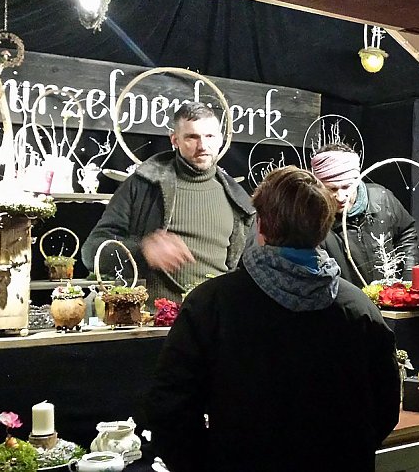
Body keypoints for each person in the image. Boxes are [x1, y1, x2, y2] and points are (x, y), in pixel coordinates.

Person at [145, 166, 400, 471]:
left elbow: (169, 409)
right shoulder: (359, 308)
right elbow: (385, 408)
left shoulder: (211, 304)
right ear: (323, 227)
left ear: (261, 224)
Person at [81, 102, 255, 305]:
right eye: (192, 137)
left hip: (214, 320)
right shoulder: (144, 184)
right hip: (155, 322)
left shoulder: (239, 202)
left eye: (210, 136)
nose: (202, 146)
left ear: (220, 139)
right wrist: (141, 250)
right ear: (175, 140)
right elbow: (90, 252)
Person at [311, 143, 417, 285]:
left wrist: (408, 278)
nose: (341, 197)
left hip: (390, 299)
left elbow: (407, 232)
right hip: (347, 303)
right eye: (332, 189)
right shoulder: (312, 220)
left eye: (346, 187)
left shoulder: (382, 198)